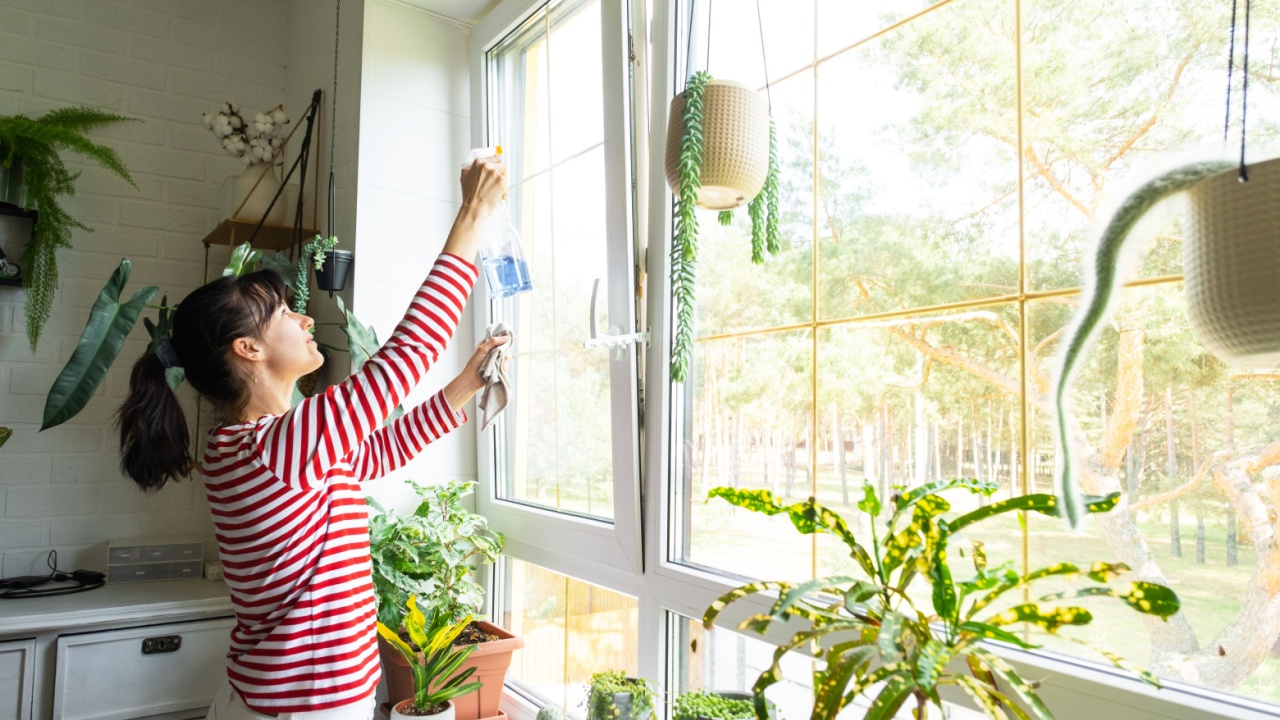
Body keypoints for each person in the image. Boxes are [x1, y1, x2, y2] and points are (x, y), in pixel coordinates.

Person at [115, 157, 509, 719]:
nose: (304, 319)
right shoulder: (270, 447)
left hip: (282, 701)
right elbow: (407, 354)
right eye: (282, 313)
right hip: (300, 708)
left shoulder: (256, 445)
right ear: (248, 349)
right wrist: (474, 212)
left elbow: (373, 454)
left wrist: (466, 385)